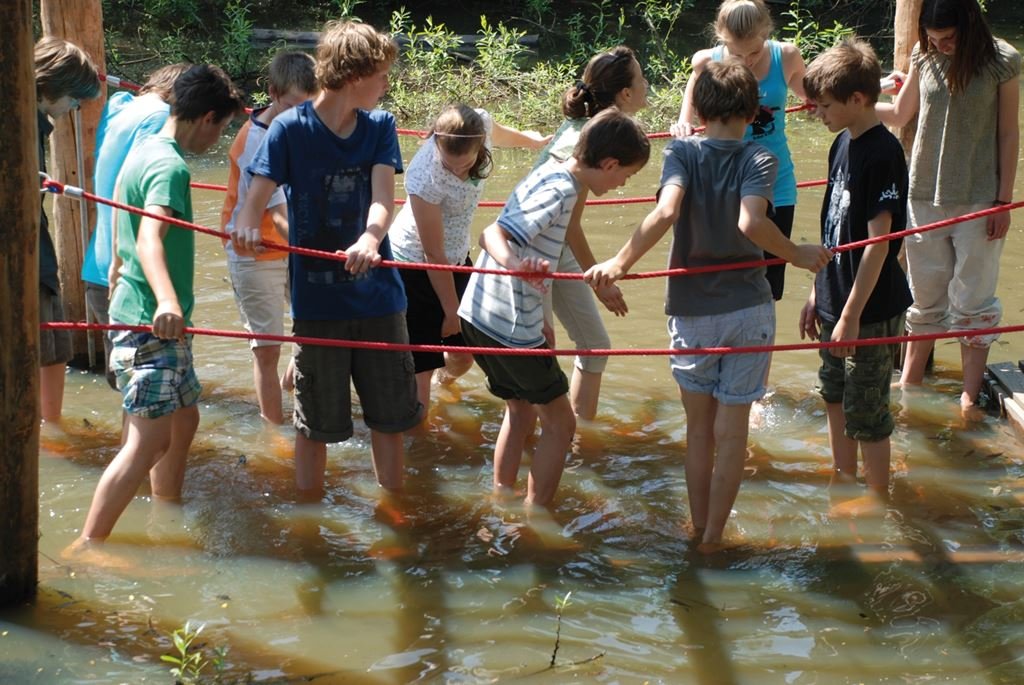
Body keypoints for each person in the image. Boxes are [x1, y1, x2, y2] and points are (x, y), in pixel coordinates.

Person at [585, 60, 830, 550]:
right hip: (747, 311)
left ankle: (696, 528)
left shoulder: (681, 152)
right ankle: (716, 536)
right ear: (751, 109)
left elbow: (666, 211)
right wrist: (798, 254)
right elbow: (751, 224)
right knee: (732, 431)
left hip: (692, 311)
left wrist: (620, 262)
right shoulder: (760, 158)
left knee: (699, 432)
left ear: (698, 108)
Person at [232, 21, 424, 498]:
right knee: (314, 424)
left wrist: (370, 238)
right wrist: (249, 225)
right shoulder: (288, 129)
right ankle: (309, 517)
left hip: (380, 298)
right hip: (318, 304)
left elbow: (383, 198)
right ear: (357, 75)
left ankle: (394, 509)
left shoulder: (379, 126)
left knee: (390, 419)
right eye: (381, 75)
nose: (386, 85)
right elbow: (256, 196)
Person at [76, 64, 245, 542]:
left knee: (184, 417)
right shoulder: (169, 166)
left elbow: (117, 211)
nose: (217, 140)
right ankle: (90, 542)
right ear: (207, 117)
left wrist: (114, 270)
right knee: (145, 442)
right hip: (153, 322)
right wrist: (167, 300)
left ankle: (166, 508)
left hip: (138, 312)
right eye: (222, 128)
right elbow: (150, 235)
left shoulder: (143, 150)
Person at [459, 108, 650, 506]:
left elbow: (527, 242)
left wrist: (542, 319)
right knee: (561, 424)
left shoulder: (551, 170)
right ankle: (536, 517)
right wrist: (512, 265)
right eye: (625, 176)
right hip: (508, 326)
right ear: (609, 163)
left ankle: (503, 498)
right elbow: (494, 232)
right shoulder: (562, 190)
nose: (621, 185)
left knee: (521, 412)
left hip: (478, 315)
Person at [876, 0, 1020, 413]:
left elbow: (1009, 134)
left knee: (974, 300)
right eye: (934, 39)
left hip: (980, 198)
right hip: (923, 195)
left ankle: (968, 399)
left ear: (969, 26)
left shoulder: (1002, 60)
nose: (941, 46)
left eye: (949, 39)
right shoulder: (923, 55)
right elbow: (902, 113)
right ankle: (909, 389)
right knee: (924, 299)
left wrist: (1002, 202)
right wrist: (853, 103)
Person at [799, 39, 912, 498]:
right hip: (835, 299)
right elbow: (832, 227)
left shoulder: (882, 154)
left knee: (869, 411)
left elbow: (880, 243)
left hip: (868, 308)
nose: (818, 114)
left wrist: (849, 316)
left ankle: (877, 499)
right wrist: (817, 292)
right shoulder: (841, 144)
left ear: (858, 100)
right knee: (833, 395)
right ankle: (843, 482)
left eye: (825, 106)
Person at [389, 104, 549, 416]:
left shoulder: (481, 124)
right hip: (414, 263)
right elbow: (432, 254)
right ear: (436, 142)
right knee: (421, 366)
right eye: (451, 166)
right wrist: (450, 311)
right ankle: (421, 442)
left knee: (465, 355)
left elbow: (500, 133)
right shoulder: (425, 177)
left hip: (457, 255)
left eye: (466, 164)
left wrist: (533, 141)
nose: (458, 172)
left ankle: (442, 384)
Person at [530, 45, 648, 421]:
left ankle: (577, 436)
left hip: (555, 244)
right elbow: (571, 226)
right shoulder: (588, 140)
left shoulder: (596, 129)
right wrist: (601, 282)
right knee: (539, 352)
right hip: (536, 250)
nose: (647, 84)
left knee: (594, 346)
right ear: (625, 94)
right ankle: (542, 436)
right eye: (642, 79)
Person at [671, 0, 808, 313]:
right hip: (724, 182)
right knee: (725, 276)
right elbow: (695, 84)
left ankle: (757, 353)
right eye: (737, 54)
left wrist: (872, 87)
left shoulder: (785, 55)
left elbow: (811, 92)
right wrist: (685, 119)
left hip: (776, 181)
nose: (746, 63)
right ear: (721, 39)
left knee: (769, 283)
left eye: (754, 53)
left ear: (766, 35)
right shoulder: (706, 61)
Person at [220, 50, 317, 425]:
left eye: (309, 108)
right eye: (294, 106)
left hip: (289, 246)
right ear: (274, 94)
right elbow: (279, 213)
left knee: (313, 326)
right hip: (253, 251)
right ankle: (274, 432)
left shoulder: (301, 128)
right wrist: (319, 252)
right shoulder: (257, 141)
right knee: (267, 349)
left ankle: (291, 392)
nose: (301, 117)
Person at [84, 62, 190, 390]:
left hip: (98, 270)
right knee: (148, 403)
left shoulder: (118, 106)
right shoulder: (161, 119)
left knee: (127, 391)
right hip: (133, 280)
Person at [34, 37, 101, 423]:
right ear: (54, 85)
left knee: (55, 340)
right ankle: (47, 428)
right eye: (75, 99)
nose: (74, 109)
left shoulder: (35, 122)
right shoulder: (25, 120)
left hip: (37, 246)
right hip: (28, 254)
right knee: (46, 339)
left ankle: (51, 427)